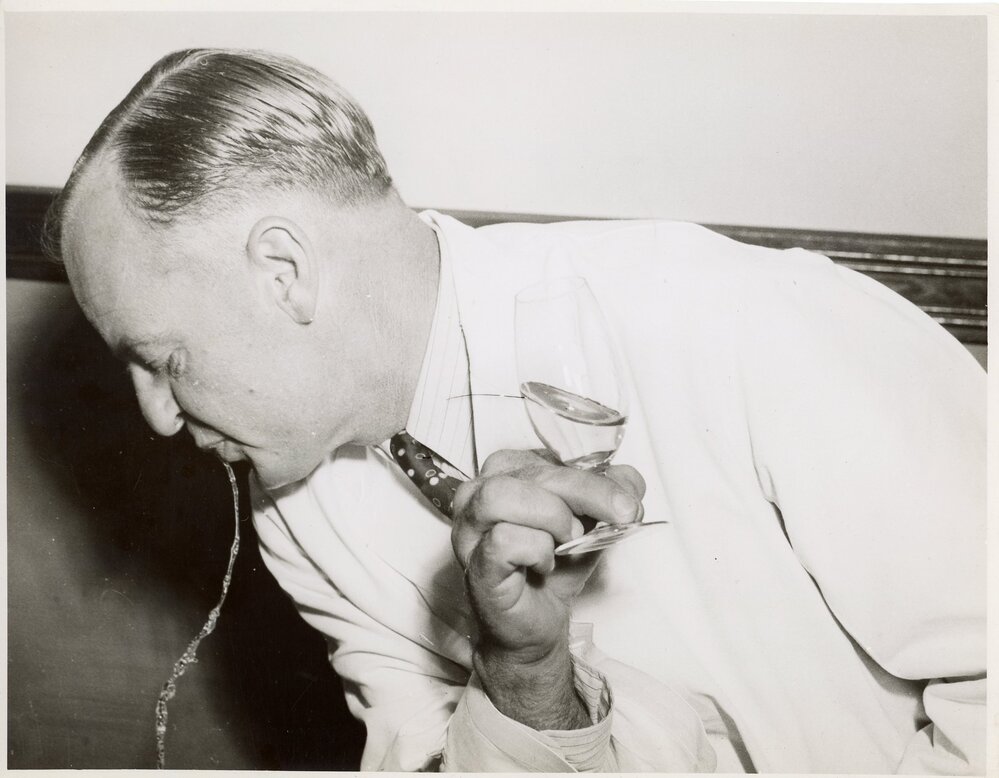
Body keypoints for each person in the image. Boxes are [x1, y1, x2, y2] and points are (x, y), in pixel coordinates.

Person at [45, 48, 985, 773]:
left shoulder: (727, 319)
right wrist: (524, 676)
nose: (159, 418)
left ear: (284, 271)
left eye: (161, 361)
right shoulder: (301, 507)